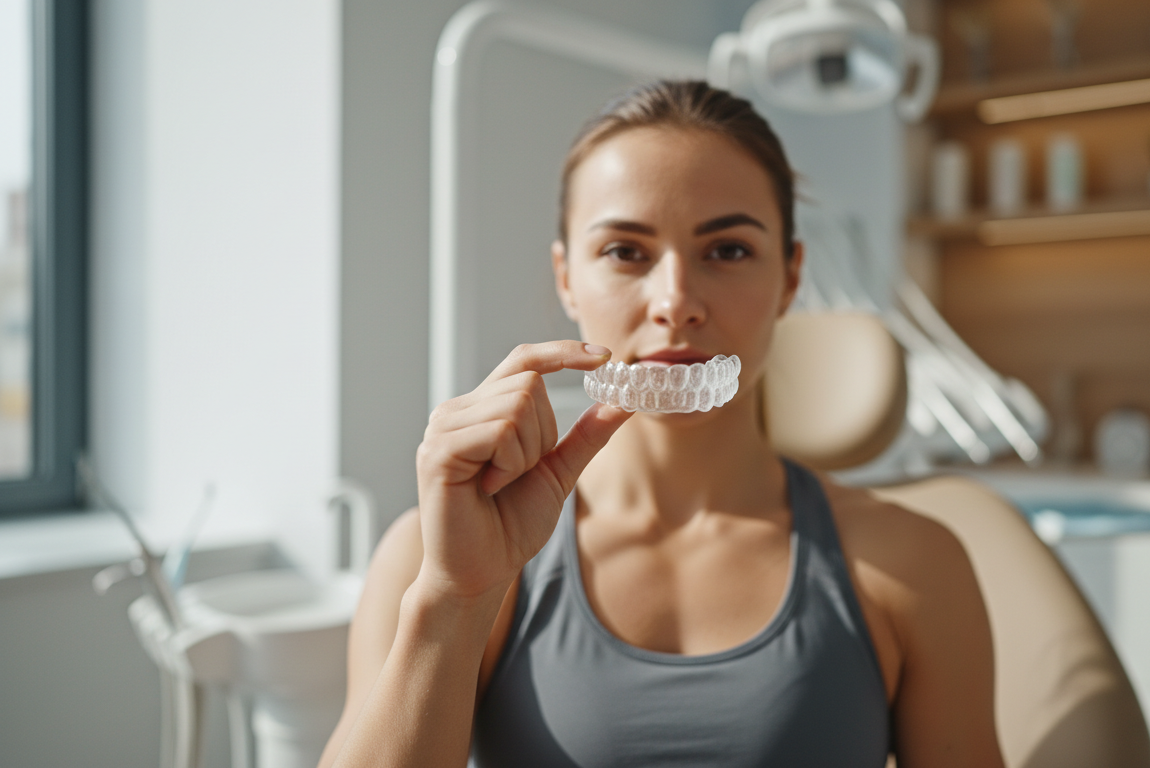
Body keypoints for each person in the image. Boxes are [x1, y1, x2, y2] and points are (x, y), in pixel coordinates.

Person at [319, 80, 1003, 768]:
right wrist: (454, 601)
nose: (675, 302)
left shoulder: (917, 566)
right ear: (566, 278)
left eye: (728, 250)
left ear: (791, 278)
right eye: (625, 251)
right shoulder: (433, 557)